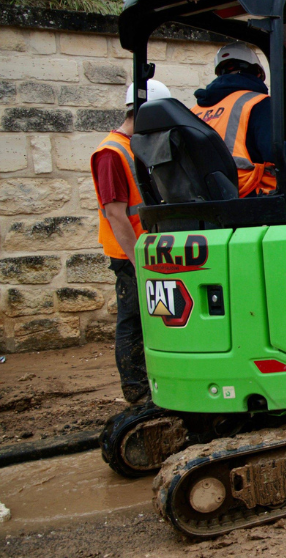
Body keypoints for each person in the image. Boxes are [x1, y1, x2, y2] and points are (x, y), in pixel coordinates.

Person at [91, 79, 171, 403]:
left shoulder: (133, 147)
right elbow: (116, 214)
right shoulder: (110, 153)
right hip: (129, 254)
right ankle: (136, 391)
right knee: (132, 319)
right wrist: (139, 262)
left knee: (149, 317)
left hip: (144, 249)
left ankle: (152, 380)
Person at [191, 43, 286, 197]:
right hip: (248, 193)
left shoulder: (196, 111)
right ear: (257, 73)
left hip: (208, 194)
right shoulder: (257, 102)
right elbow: (274, 150)